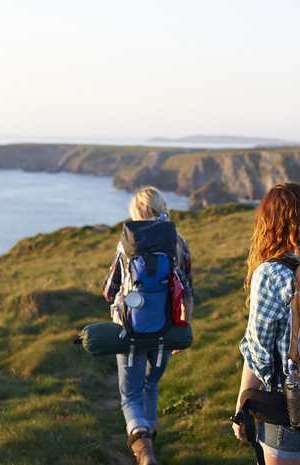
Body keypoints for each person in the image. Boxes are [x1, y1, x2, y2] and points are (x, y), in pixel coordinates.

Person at [232, 182, 300, 465]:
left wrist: (243, 405)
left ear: (268, 224)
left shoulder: (271, 273)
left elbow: (260, 355)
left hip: (288, 404)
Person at [102, 186, 194, 465]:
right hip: (165, 331)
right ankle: (150, 441)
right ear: (162, 207)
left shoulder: (126, 244)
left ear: (136, 212)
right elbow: (187, 294)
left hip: (129, 331)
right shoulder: (178, 243)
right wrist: (182, 328)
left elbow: (109, 290)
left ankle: (142, 450)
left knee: (130, 395)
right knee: (150, 386)